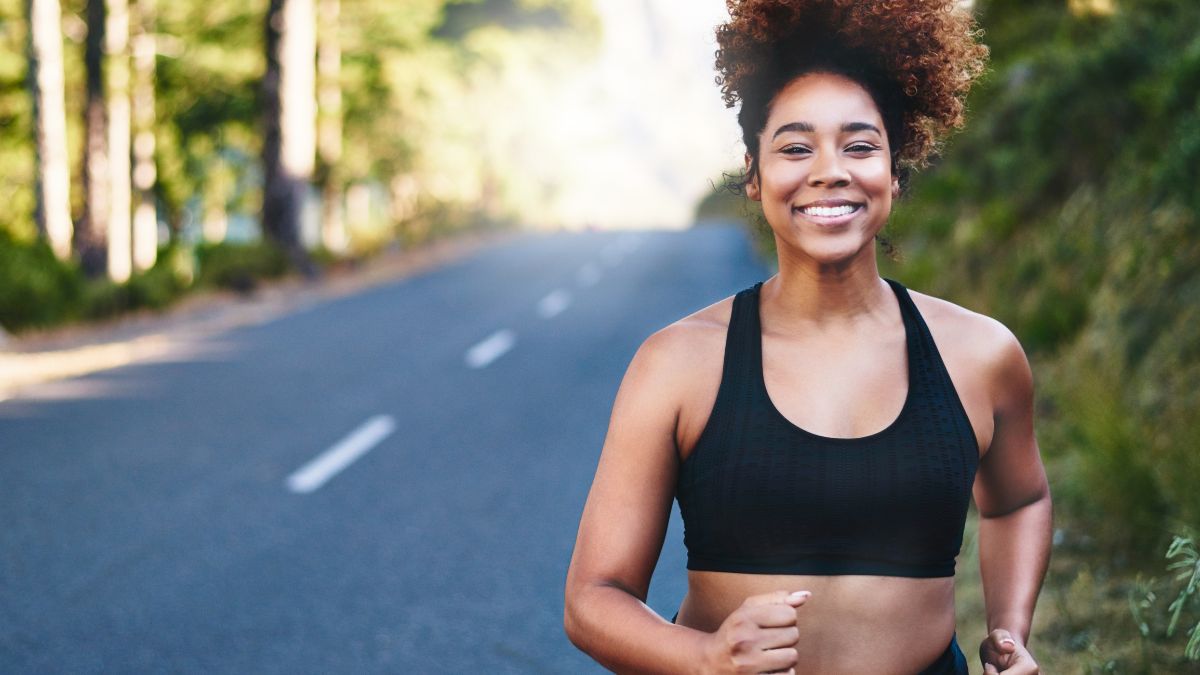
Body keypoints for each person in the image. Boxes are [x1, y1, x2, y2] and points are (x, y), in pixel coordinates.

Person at [563, 0, 1052, 673]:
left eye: (859, 145)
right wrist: (707, 657)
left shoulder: (982, 354)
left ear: (894, 172)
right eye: (795, 147)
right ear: (755, 174)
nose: (829, 170)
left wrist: (1011, 629)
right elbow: (593, 598)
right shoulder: (677, 363)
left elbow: (1019, 499)